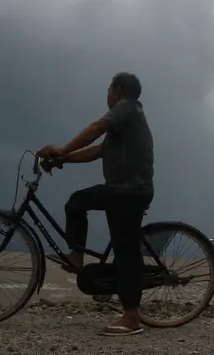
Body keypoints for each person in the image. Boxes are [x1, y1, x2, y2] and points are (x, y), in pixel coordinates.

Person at [38, 71, 154, 337]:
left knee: (126, 253)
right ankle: (76, 255)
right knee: (77, 202)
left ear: (119, 89)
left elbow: (95, 128)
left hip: (130, 192)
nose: (107, 96)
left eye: (109, 90)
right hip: (118, 190)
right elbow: (97, 151)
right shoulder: (124, 121)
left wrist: (62, 149)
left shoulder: (128, 109)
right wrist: (63, 160)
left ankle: (132, 317)